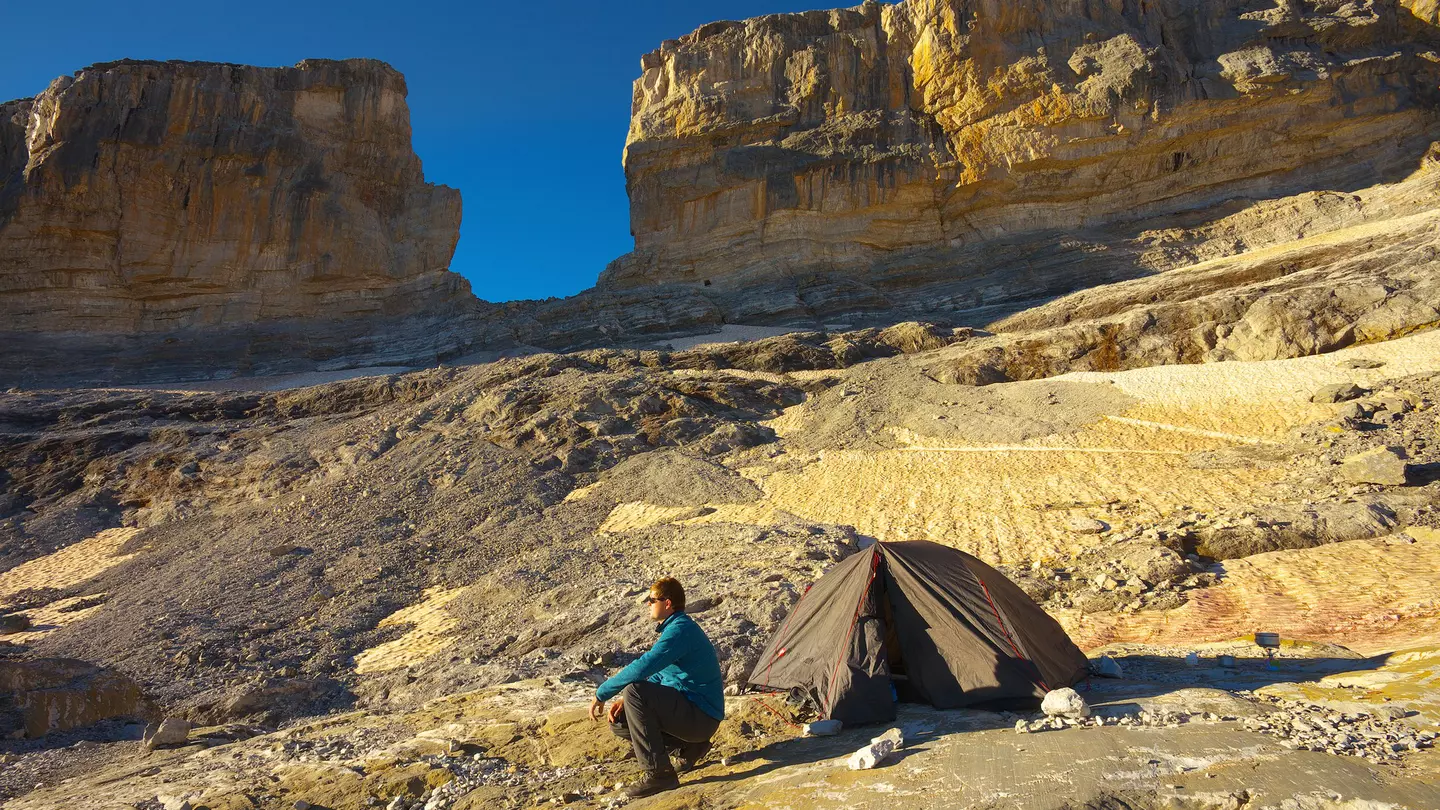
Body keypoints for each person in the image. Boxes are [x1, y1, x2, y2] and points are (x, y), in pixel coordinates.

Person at [589, 576, 724, 799]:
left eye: (652, 600)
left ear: (667, 603)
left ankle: (659, 774)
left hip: (702, 717)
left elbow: (645, 665)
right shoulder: (676, 628)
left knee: (635, 691)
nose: (649, 604)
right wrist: (626, 702)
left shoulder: (680, 631)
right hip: (695, 717)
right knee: (622, 721)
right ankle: (689, 749)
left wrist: (602, 692)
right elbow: (663, 673)